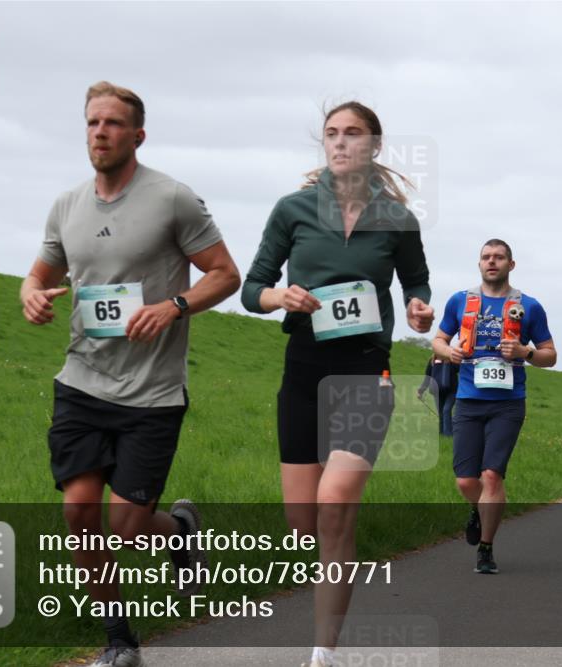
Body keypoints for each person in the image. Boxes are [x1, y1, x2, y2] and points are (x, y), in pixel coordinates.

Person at [20, 82, 241, 667]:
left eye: (113, 123)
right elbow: (39, 275)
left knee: (126, 526)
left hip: (153, 393)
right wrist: (31, 295)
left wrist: (174, 306)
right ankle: (119, 642)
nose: (101, 132)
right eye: (93, 122)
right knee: (78, 513)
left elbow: (225, 274)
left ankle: (180, 531)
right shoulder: (66, 206)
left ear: (138, 135)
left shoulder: (173, 199)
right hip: (82, 380)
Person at [240, 101, 434, 667]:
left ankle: (324, 652)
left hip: (365, 370)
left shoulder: (398, 219)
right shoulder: (292, 209)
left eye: (353, 133)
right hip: (303, 369)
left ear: (374, 144)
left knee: (334, 504)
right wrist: (281, 296)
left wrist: (419, 309)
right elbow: (252, 288)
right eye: (332, 133)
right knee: (304, 524)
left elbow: (416, 282)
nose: (341, 142)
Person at [431, 239, 556, 573]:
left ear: (510, 265)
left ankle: (485, 549)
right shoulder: (460, 300)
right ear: (479, 263)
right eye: (486, 257)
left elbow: (550, 355)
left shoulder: (529, 306)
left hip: (508, 404)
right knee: (465, 481)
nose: (492, 262)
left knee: (491, 476)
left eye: (499, 257)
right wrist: (449, 352)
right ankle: (479, 509)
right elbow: (439, 340)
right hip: (468, 400)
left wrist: (525, 352)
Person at [417, 354, 458, 436]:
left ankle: (448, 434)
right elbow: (427, 377)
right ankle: (441, 433)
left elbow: (459, 369)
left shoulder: (452, 359)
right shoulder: (432, 361)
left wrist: (450, 361)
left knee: (446, 410)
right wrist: (420, 391)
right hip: (438, 391)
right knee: (440, 412)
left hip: (451, 391)